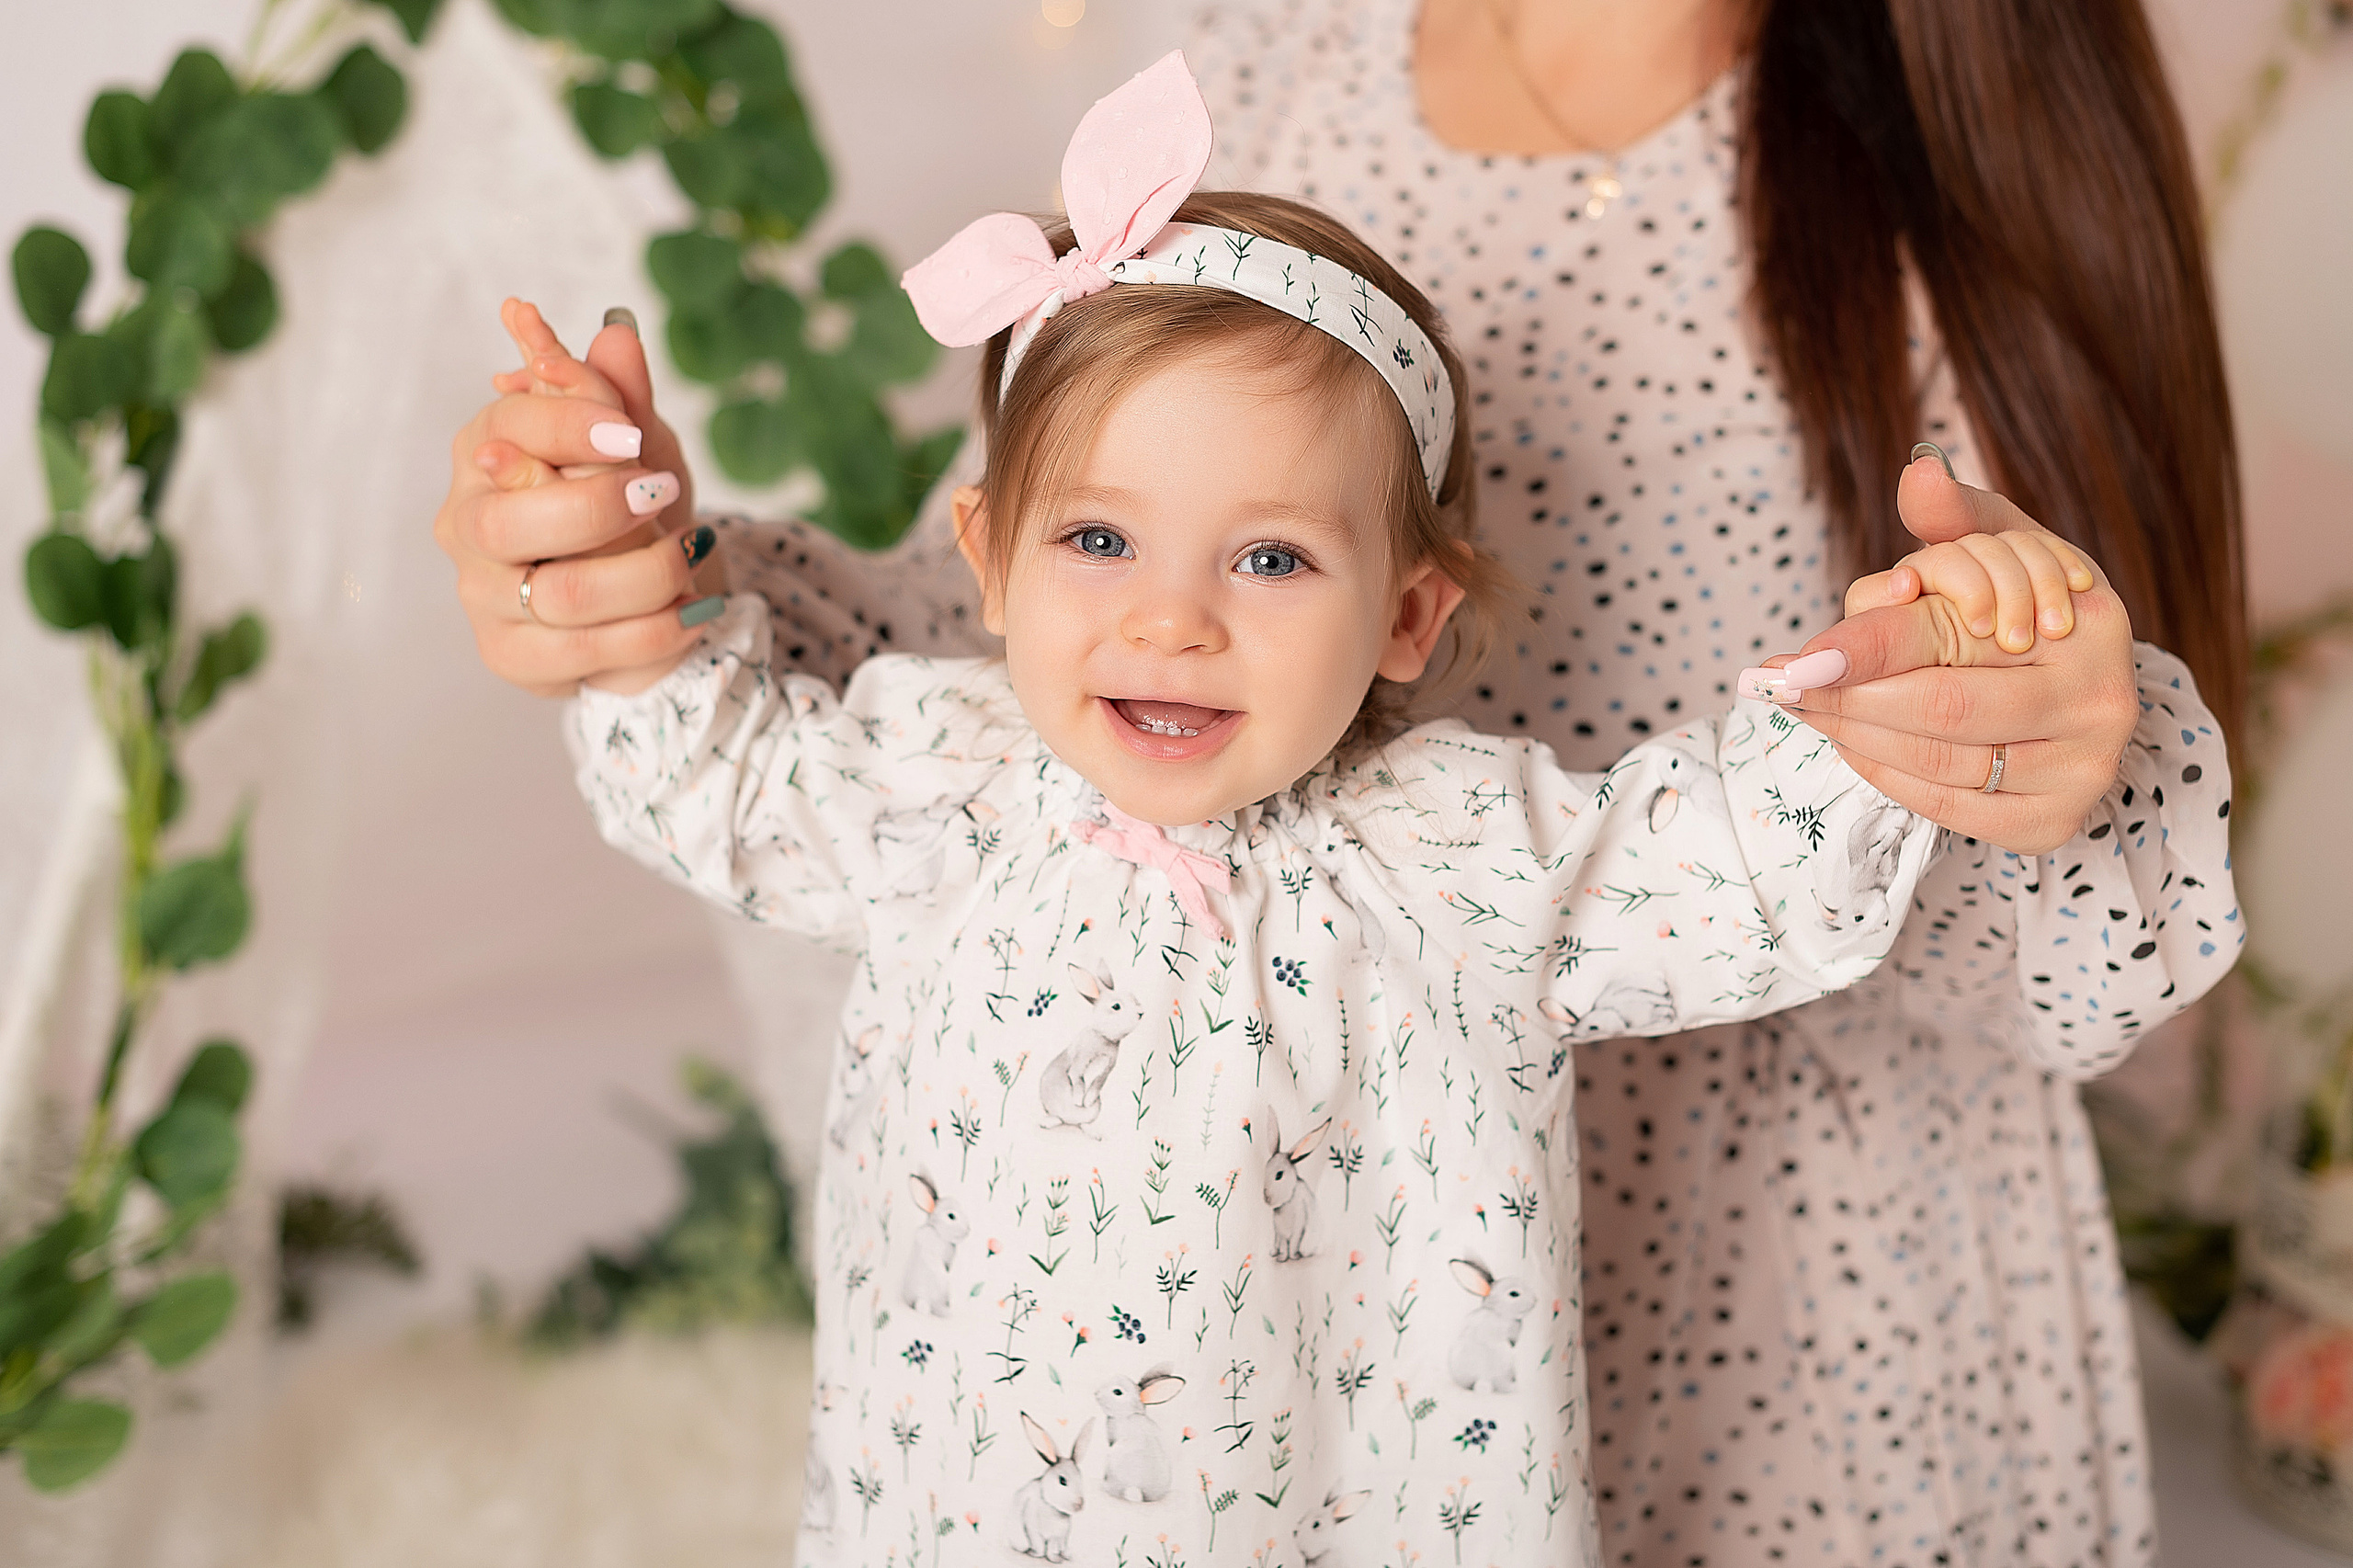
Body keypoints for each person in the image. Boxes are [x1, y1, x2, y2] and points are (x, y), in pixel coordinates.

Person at [433, 6, 2246, 1562]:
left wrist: (1934, 691)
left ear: (1407, 617)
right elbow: (735, 760)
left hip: (1720, 1350)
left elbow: (1719, 856)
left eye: (1272, 561)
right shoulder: (946, 774)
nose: (1170, 618)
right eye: (1098, 541)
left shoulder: (1459, 851)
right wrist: (627, 583)